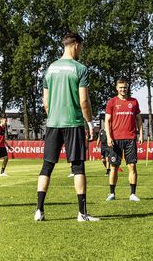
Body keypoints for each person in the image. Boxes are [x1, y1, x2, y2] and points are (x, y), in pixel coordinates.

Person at [36, 32, 98, 222]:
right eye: (81, 47)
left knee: (47, 166)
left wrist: (54, 115)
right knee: (78, 166)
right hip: (73, 123)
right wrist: (90, 123)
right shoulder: (80, 69)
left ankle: (39, 211)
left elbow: (45, 102)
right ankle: (82, 213)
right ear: (76, 45)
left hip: (53, 123)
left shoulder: (50, 69)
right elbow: (83, 101)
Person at [104, 77, 143, 201]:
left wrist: (141, 134)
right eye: (120, 87)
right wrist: (109, 137)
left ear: (127, 87)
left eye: (125, 87)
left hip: (130, 139)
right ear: (117, 88)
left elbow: (139, 120)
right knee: (114, 167)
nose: (123, 89)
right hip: (115, 139)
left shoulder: (134, 101)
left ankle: (132, 194)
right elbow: (107, 121)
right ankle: (112, 193)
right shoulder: (112, 102)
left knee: (132, 166)